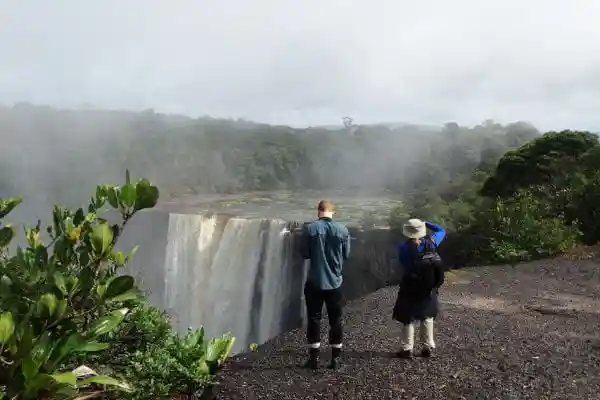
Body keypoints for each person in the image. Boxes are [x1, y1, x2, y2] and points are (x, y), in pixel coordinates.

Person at [300, 199, 351, 370]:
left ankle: (313, 359)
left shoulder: (310, 229)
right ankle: (335, 359)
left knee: (314, 319)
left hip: (314, 281)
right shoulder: (343, 230)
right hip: (335, 283)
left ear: (318, 211)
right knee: (335, 320)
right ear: (333, 212)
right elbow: (347, 255)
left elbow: (305, 254)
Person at [393, 218, 446, 359]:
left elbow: (403, 263)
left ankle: (407, 348)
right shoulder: (432, 242)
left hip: (410, 284)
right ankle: (427, 346)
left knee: (407, 316)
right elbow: (441, 230)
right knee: (427, 314)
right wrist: (426, 223)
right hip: (428, 286)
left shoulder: (403, 248)